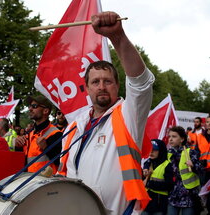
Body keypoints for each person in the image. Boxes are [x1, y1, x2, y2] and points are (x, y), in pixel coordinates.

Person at [58, 11, 155, 214]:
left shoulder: (129, 116)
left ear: (118, 86)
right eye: (95, 82)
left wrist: (117, 37)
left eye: (108, 81)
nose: (102, 86)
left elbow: (141, 84)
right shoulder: (74, 126)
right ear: (86, 88)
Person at [15, 95, 62, 172]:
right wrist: (18, 147)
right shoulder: (29, 135)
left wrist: (46, 148)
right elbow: (24, 162)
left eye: (34, 106)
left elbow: (61, 163)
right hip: (29, 181)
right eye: (30, 106)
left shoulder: (56, 134)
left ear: (45, 111)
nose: (30, 109)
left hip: (48, 182)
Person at [167, 126, 203, 215]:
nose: (170, 139)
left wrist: (193, 165)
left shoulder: (190, 152)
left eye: (174, 136)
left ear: (182, 139)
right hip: (173, 194)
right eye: (169, 136)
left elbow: (201, 169)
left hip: (188, 194)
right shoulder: (168, 153)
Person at [142, 139, 173, 215]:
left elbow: (169, 185)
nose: (151, 152)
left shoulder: (167, 165)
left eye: (154, 150)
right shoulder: (147, 163)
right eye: (150, 149)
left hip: (159, 205)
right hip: (146, 203)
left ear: (161, 151)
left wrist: (149, 184)